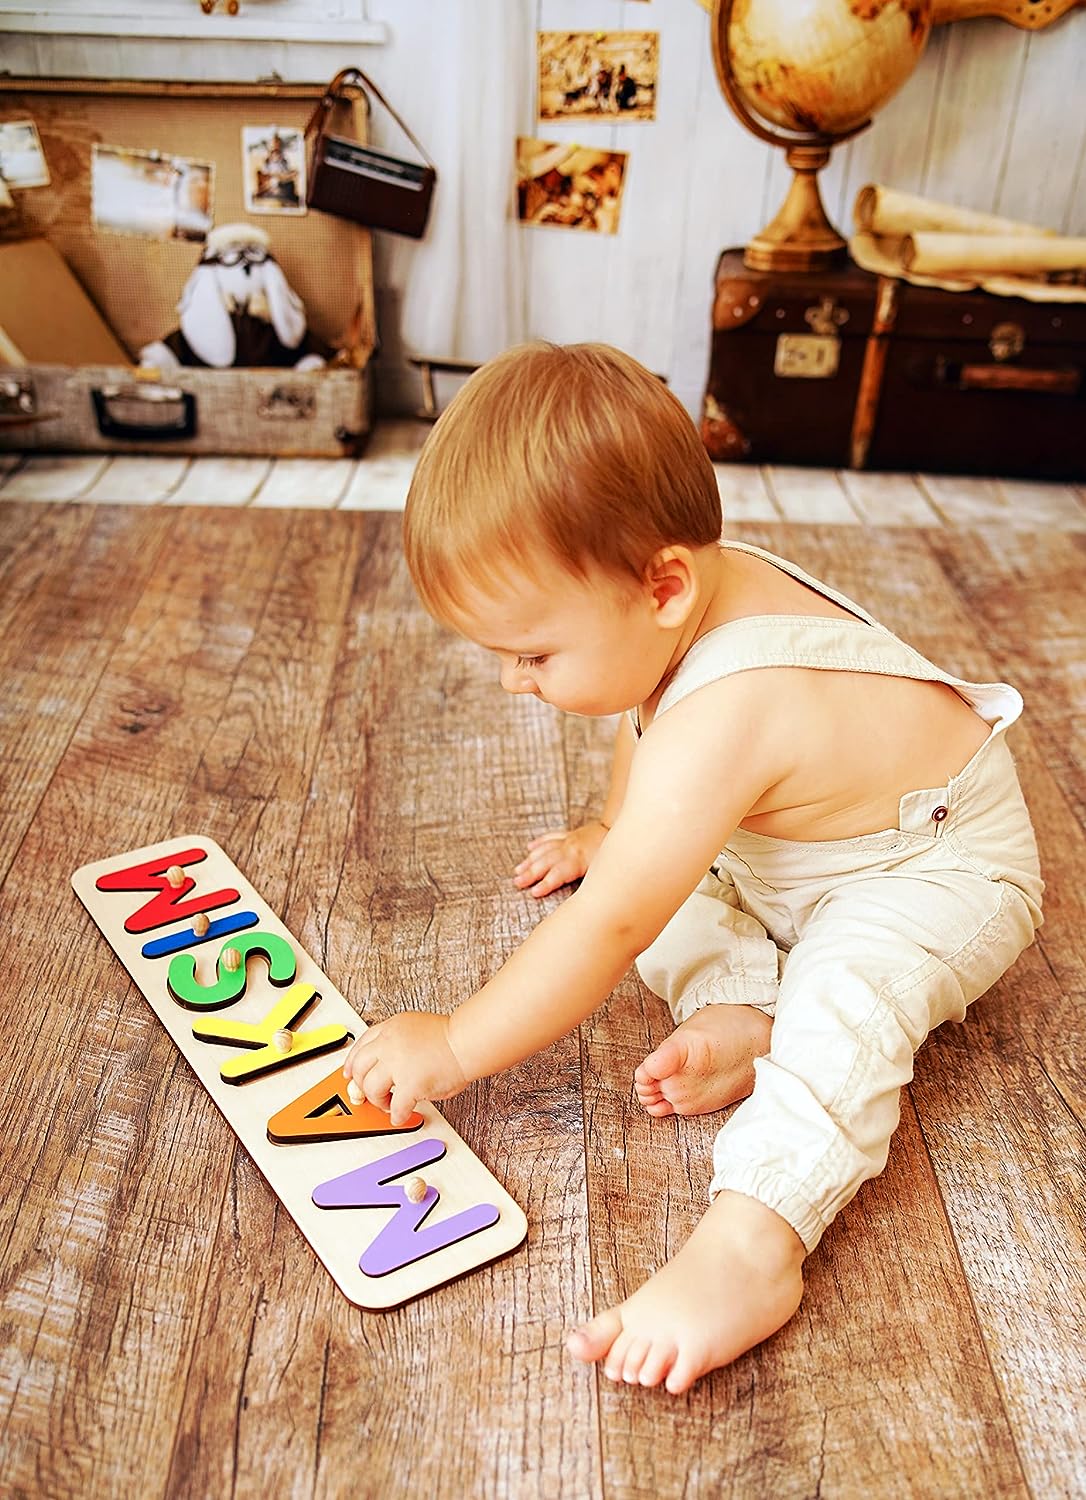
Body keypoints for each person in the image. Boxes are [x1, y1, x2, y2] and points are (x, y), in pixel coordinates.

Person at [342, 342, 1043, 1395]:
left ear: (662, 585)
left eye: (532, 654)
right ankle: (742, 1011)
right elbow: (647, 722)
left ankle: (754, 1245)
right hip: (795, 850)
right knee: (644, 873)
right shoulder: (675, 598)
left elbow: (607, 930)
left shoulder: (730, 699)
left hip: (933, 869)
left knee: (842, 990)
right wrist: (609, 828)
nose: (510, 682)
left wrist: (457, 1043)